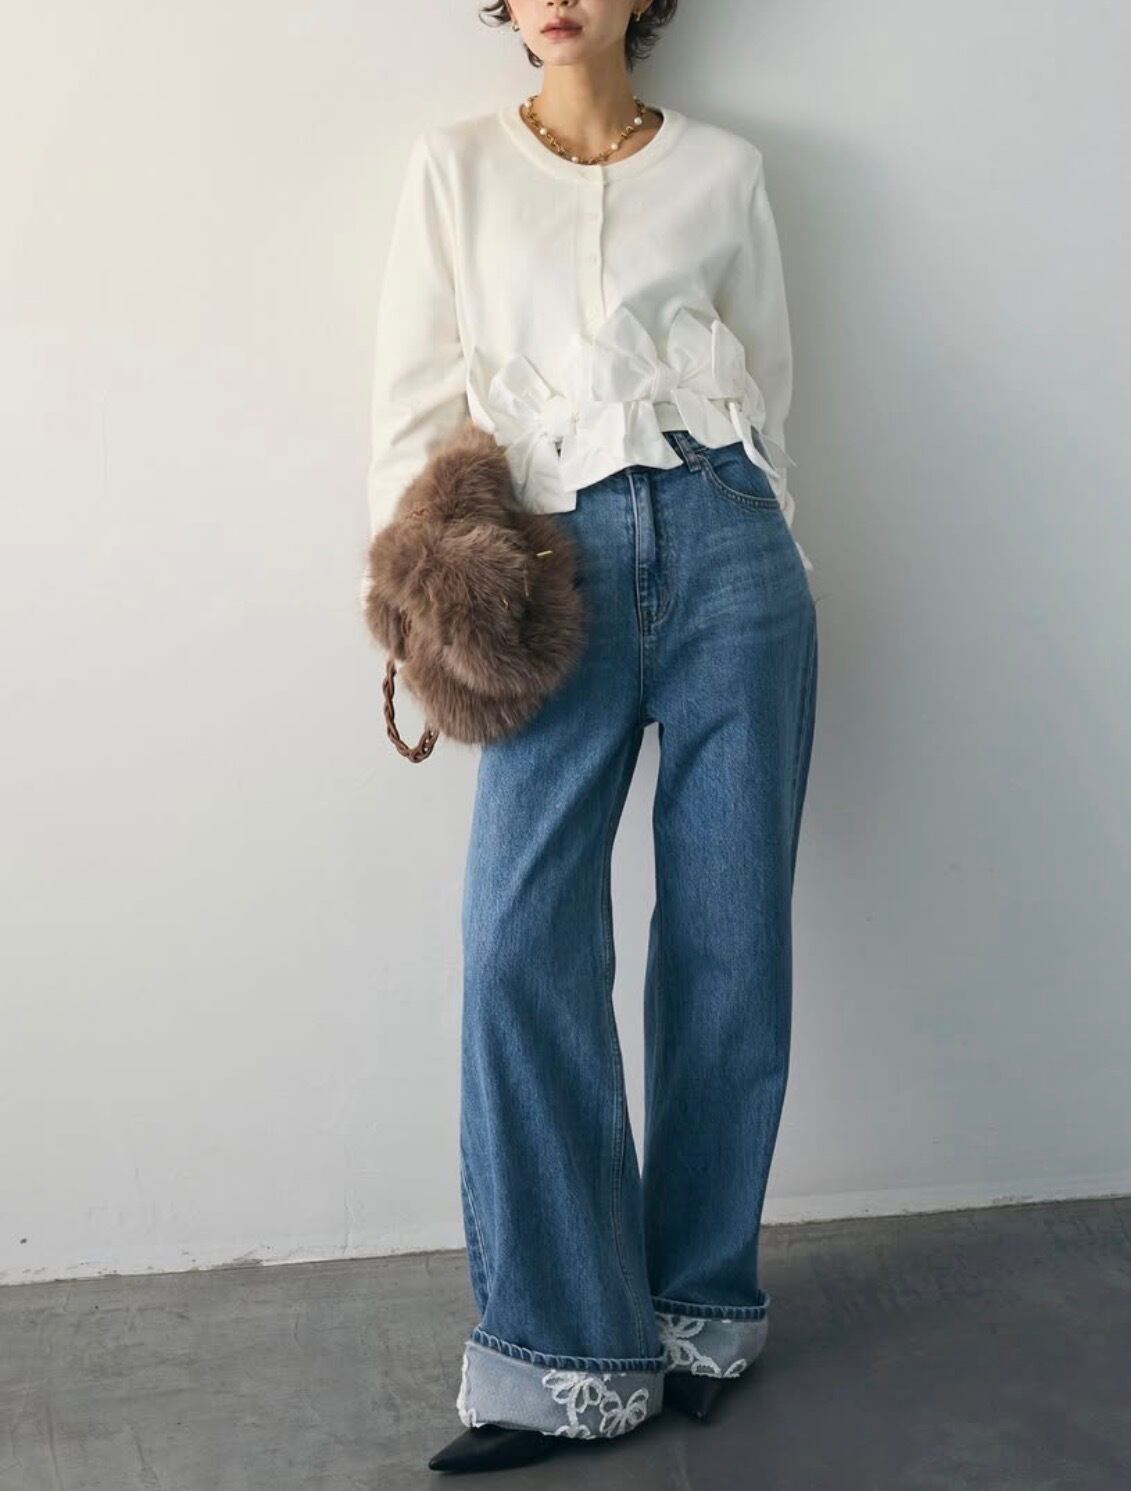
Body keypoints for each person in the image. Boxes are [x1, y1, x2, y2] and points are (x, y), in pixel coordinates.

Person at [362, 0, 819, 1475]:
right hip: (538, 572)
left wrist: (768, 534)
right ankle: (562, 1349)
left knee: (729, 938)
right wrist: (426, 606)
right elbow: (413, 411)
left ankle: (699, 1307)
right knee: (520, 945)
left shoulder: (725, 171)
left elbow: (769, 388)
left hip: (732, 552)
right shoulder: (452, 168)